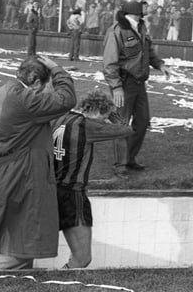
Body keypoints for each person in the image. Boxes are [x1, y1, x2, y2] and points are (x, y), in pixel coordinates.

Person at [0, 55, 76, 272]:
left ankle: (9, 274)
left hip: (5, 171)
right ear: (34, 78)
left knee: (15, 235)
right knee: (23, 245)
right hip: (21, 176)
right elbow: (67, 99)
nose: (43, 93)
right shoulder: (25, 100)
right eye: (42, 87)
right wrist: (57, 69)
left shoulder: (3, 92)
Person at [51, 90, 132, 268]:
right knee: (82, 258)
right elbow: (126, 129)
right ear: (97, 111)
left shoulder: (61, 118)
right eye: (104, 117)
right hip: (73, 195)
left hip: (52, 191)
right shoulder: (86, 125)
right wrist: (114, 115)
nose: (104, 122)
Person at [102, 0, 171, 174]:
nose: (147, 7)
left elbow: (147, 51)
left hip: (138, 84)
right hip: (124, 84)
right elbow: (110, 63)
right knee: (122, 125)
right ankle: (121, 165)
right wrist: (116, 87)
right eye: (144, 4)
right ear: (134, 6)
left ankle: (130, 158)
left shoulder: (140, 26)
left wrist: (159, 64)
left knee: (142, 122)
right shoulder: (117, 31)